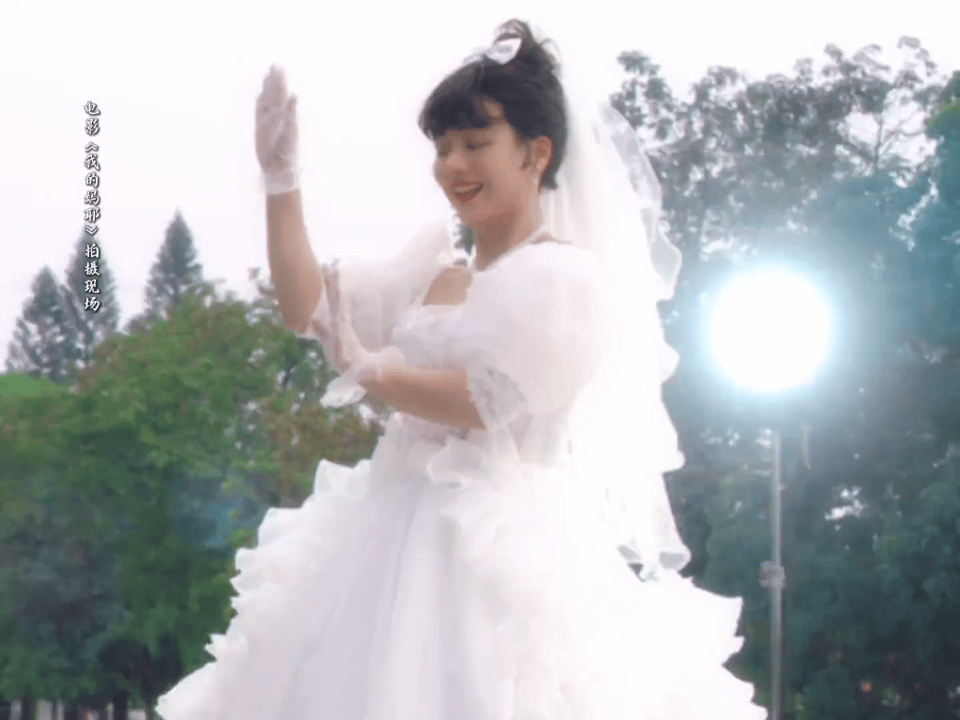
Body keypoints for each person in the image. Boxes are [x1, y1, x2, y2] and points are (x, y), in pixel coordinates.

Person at [157, 19, 767, 720]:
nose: (453, 165)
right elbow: (307, 307)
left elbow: (489, 398)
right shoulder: (433, 275)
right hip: (385, 537)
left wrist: (373, 372)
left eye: (476, 144)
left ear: (536, 153)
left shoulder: (563, 279)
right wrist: (280, 181)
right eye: (443, 147)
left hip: (497, 551)